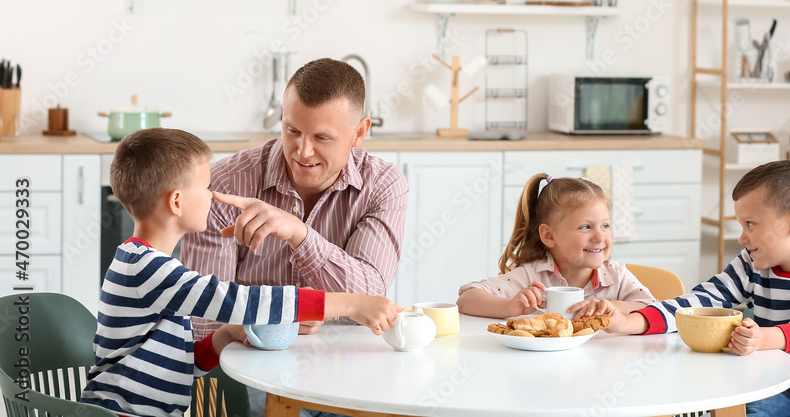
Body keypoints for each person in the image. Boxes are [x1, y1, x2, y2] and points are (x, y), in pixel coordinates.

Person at [81, 128, 399, 417]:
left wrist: (224, 337)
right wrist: (351, 304)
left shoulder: (152, 266)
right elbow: (238, 301)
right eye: (205, 188)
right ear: (176, 202)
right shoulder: (147, 268)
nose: (212, 195)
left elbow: (174, 365)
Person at [606, 160, 790, 417]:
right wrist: (629, 322)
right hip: (776, 381)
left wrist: (762, 339)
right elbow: (700, 302)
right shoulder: (752, 263)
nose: (742, 237)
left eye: (751, 224)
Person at [182, 57, 408, 344]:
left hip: (345, 360)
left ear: (360, 132)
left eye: (322, 138)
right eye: (293, 131)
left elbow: (369, 297)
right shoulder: (227, 183)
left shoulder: (382, 185)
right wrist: (278, 319)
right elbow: (203, 322)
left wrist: (299, 235)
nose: (303, 151)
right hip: (248, 365)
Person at [457, 173, 654, 318]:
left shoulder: (616, 276)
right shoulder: (533, 276)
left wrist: (610, 307)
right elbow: (466, 298)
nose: (599, 236)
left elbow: (651, 307)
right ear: (549, 235)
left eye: (605, 226)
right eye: (585, 227)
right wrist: (509, 307)